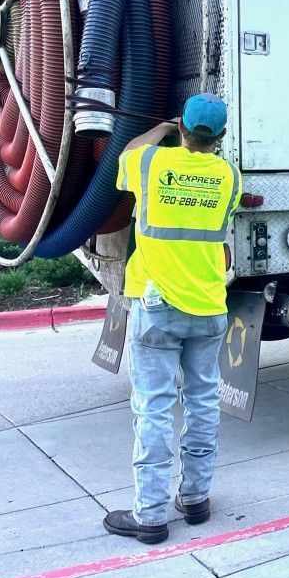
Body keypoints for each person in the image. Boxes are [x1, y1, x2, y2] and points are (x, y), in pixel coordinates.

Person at [102, 94, 242, 543]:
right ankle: (196, 498)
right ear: (219, 136)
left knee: (154, 407)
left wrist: (163, 127)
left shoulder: (150, 166)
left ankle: (150, 516)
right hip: (209, 306)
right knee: (202, 402)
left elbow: (125, 154)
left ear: (183, 128)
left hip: (158, 306)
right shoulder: (229, 177)